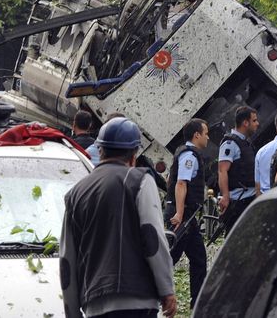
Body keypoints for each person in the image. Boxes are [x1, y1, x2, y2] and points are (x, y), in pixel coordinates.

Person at [60, 117, 177, 318]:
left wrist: (71, 311)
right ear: (134, 154)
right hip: (137, 301)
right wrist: (167, 290)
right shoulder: (140, 180)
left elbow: (67, 260)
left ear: (101, 151)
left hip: (95, 304)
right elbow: (153, 238)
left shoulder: (75, 194)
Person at [164, 118, 209, 308]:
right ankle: (149, 290)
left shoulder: (187, 153)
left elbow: (169, 180)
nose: (207, 137)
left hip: (188, 216)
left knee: (199, 257)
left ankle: (198, 301)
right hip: (182, 216)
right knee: (170, 257)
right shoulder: (189, 156)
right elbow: (181, 183)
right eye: (206, 133)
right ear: (197, 135)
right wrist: (180, 214)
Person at [217, 106, 259, 232]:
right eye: (254, 120)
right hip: (239, 202)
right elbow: (222, 170)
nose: (257, 124)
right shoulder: (230, 144)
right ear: (245, 123)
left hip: (250, 198)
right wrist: (225, 196)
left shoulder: (246, 143)